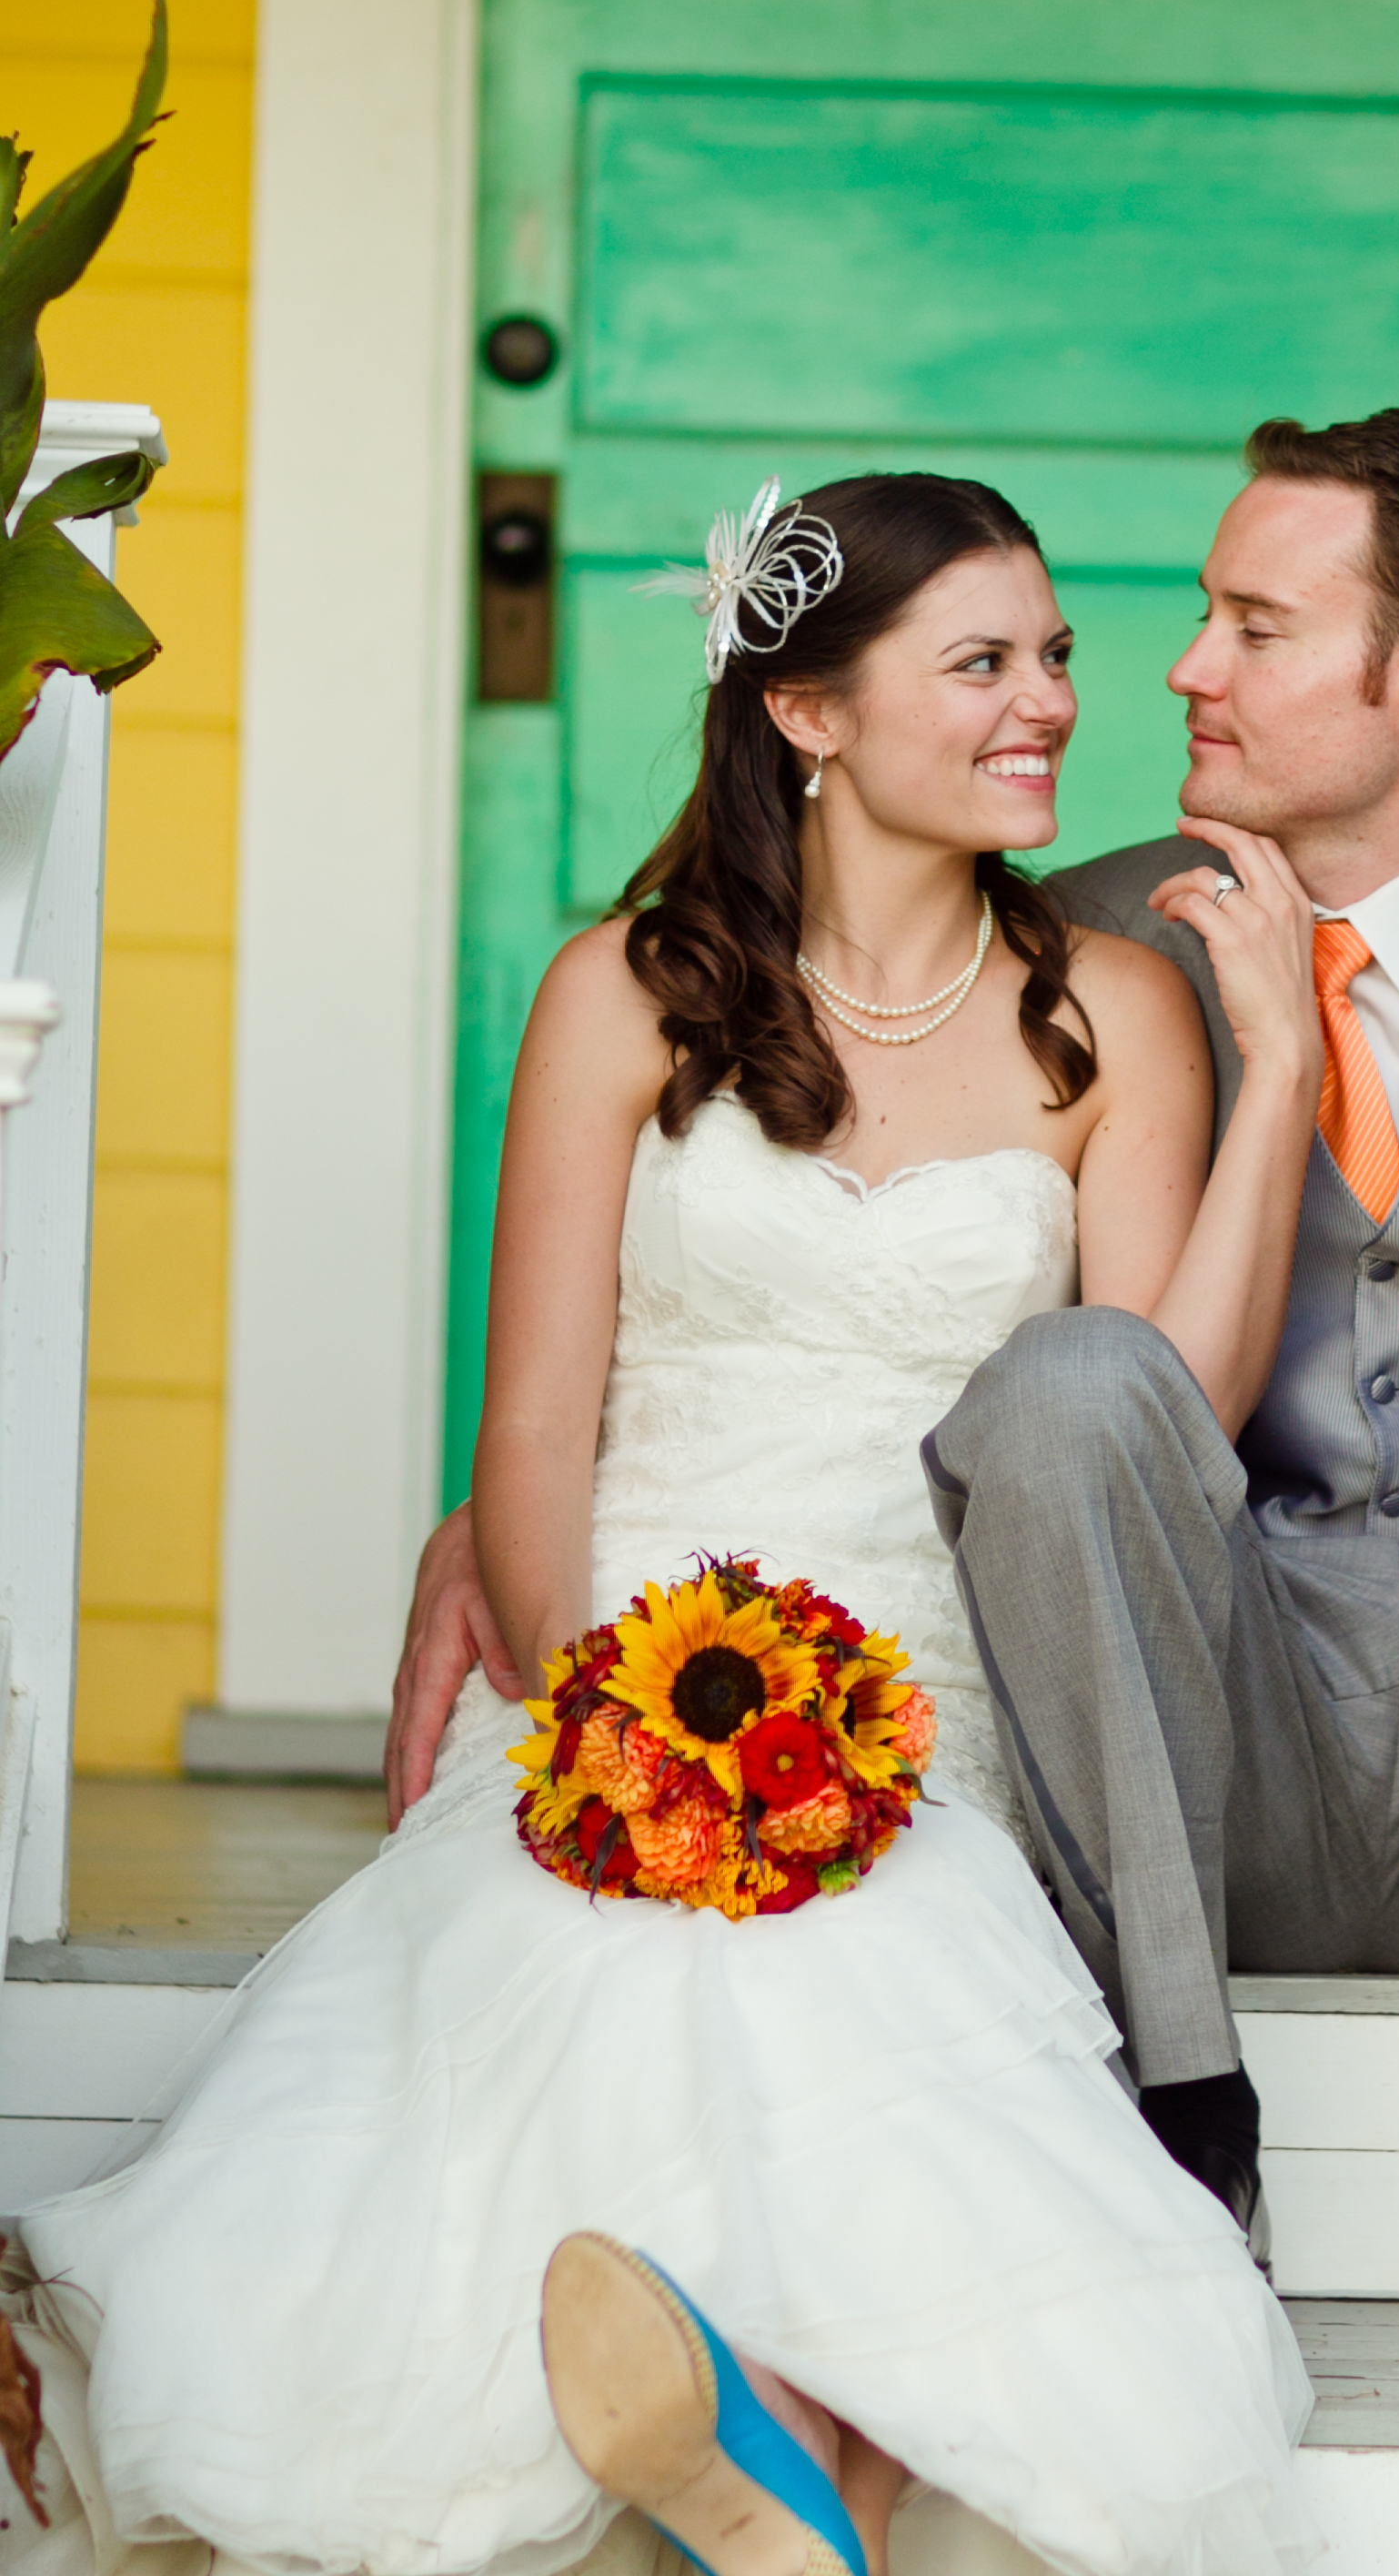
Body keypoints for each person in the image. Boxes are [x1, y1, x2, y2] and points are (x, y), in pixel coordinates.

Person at [393, 409, 1399, 2387]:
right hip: (1208, 1697)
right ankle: (1189, 2115)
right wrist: (508, 1519)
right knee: (1080, 1382)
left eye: (1250, 622)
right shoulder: (1090, 931)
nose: (1167, 669)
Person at [6, 473, 1327, 2576]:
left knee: (865, 1970)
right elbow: (534, 1427)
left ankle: (767, 2451)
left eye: (1058, 655)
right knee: (612, 1969)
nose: (1052, 707)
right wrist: (592, 1720)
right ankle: (788, 2462)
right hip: (614, 1669)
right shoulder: (623, 992)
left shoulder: (1115, 1009)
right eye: (983, 662)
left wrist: (1278, 1078)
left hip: (942, 1690)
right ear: (808, 713)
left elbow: (1175, 1416)